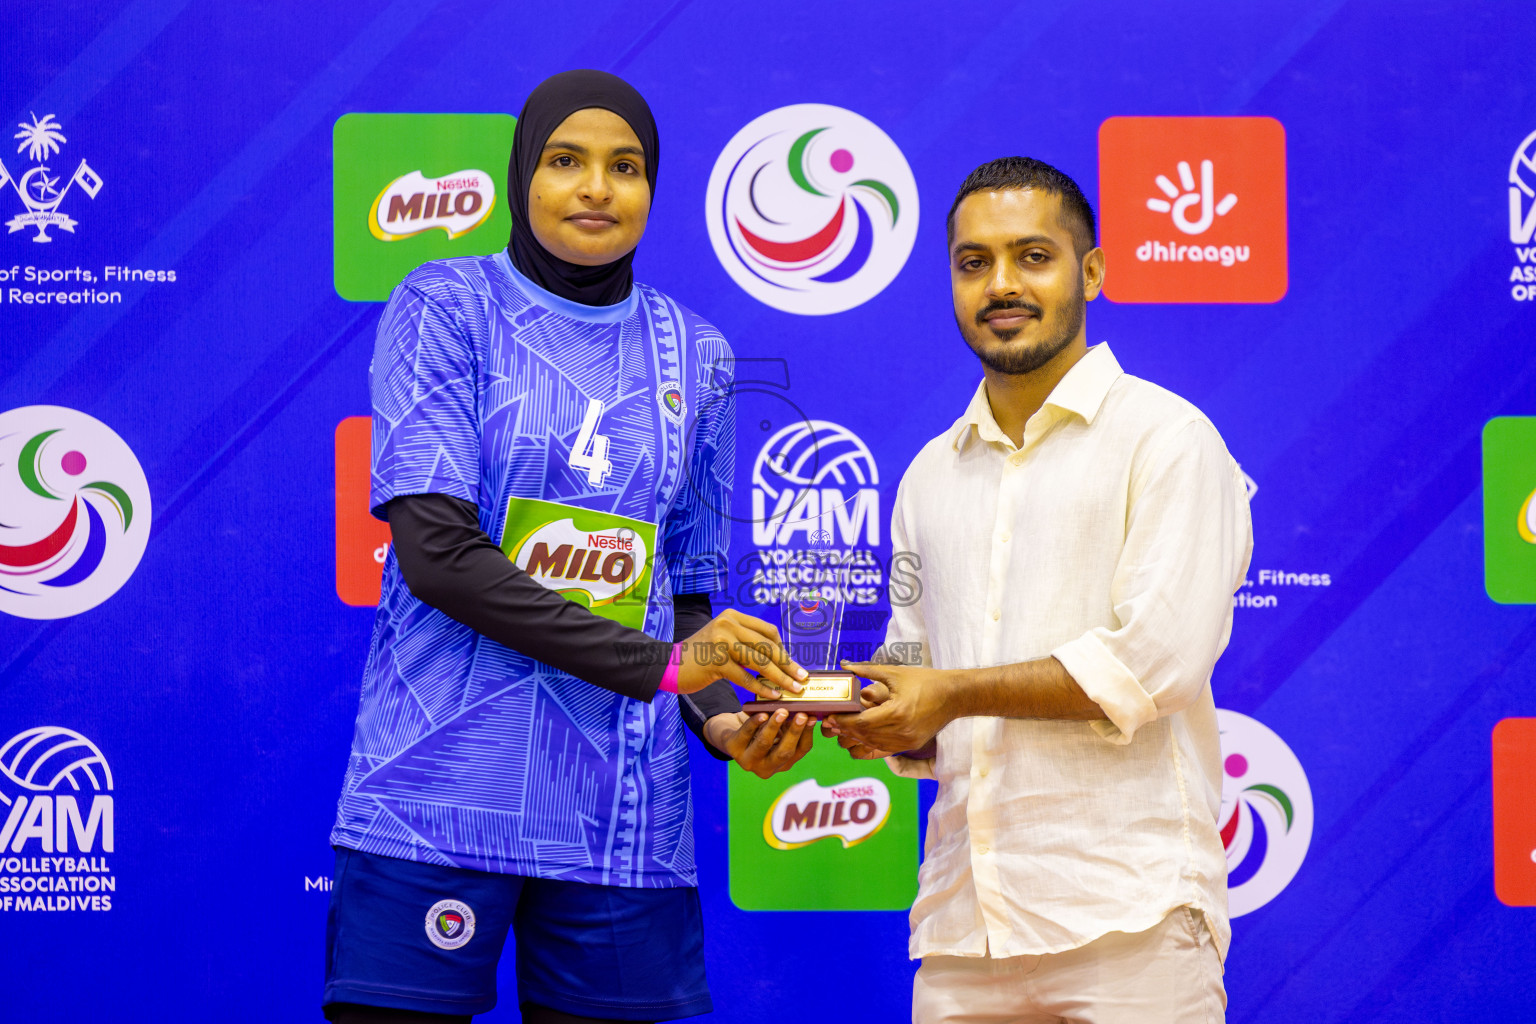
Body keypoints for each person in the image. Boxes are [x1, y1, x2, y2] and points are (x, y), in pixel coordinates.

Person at [323, 69, 818, 1024]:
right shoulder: (446, 305)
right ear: (522, 177)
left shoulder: (698, 354)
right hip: (436, 799)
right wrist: (667, 668)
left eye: (625, 167)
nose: (597, 188)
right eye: (566, 161)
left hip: (624, 826)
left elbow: (685, 602)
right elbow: (438, 556)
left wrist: (721, 721)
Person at [825, 157, 1253, 1024]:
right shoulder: (925, 477)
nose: (1001, 284)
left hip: (1129, 925)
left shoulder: (1168, 440)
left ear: (1090, 270)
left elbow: (1153, 666)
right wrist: (856, 712)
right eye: (974, 262)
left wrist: (947, 693)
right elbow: (918, 669)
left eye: (1033, 256)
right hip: (961, 929)